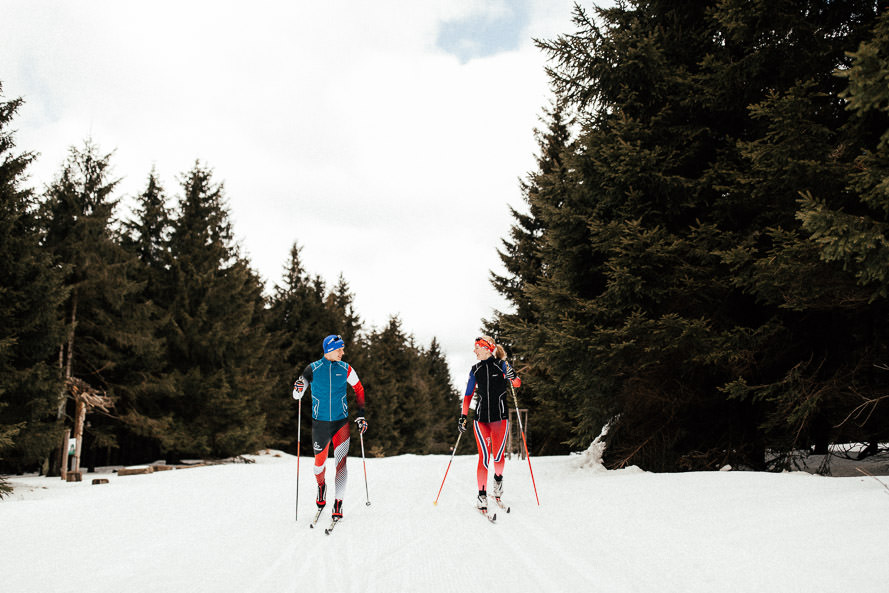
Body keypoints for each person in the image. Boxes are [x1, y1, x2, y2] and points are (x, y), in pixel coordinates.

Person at [292, 334, 368, 520]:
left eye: (343, 348)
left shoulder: (346, 368)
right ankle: (321, 486)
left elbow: (359, 389)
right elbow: (297, 395)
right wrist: (298, 388)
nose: (343, 352)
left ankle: (338, 503)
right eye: (339, 349)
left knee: (341, 464)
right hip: (320, 425)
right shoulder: (312, 369)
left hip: (341, 423)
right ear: (329, 350)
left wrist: (361, 415)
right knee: (319, 463)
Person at [458, 335, 520, 512]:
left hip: (500, 419)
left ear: (486, 348)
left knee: (498, 457)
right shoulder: (475, 370)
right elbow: (468, 395)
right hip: (481, 420)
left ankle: (498, 482)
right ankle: (482, 495)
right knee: (484, 458)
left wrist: (512, 376)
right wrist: (463, 416)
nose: (474, 351)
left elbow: (517, 383)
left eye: (477, 347)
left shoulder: (501, 365)